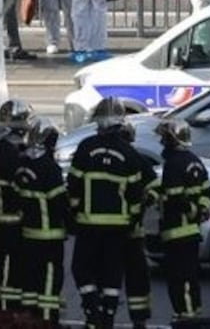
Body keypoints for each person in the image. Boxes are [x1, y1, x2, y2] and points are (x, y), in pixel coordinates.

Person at [68, 98, 149, 329]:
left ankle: (92, 309)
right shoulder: (130, 154)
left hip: (88, 226)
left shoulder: (85, 148)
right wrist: (133, 220)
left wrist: (74, 211)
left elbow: (73, 186)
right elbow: (135, 196)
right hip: (119, 229)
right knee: (112, 275)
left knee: (82, 269)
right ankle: (108, 317)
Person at [156, 119, 210, 322]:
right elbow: (209, 193)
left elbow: (174, 197)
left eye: (164, 139)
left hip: (176, 233)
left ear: (172, 140)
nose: (162, 143)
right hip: (191, 234)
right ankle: (192, 315)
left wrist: (191, 212)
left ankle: (186, 319)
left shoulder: (173, 164)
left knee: (178, 280)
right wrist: (201, 209)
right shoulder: (194, 161)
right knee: (190, 277)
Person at [15, 117, 70, 328]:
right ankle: (48, 321)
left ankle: (29, 318)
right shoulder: (50, 169)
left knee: (30, 280)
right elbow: (60, 203)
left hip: (28, 234)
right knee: (49, 281)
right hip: (50, 236)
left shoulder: (23, 166)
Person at [0, 99, 32, 310]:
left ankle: (9, 306)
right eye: (22, 120)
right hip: (10, 225)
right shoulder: (8, 153)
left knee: (13, 270)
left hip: (5, 225)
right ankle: (6, 311)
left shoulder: (0, 147)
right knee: (8, 271)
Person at [120, 120, 159, 329]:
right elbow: (154, 184)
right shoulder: (136, 157)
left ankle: (101, 316)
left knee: (110, 276)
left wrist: (148, 196)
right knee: (137, 278)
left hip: (111, 232)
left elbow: (153, 184)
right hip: (132, 232)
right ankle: (139, 320)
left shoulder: (132, 157)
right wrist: (148, 198)